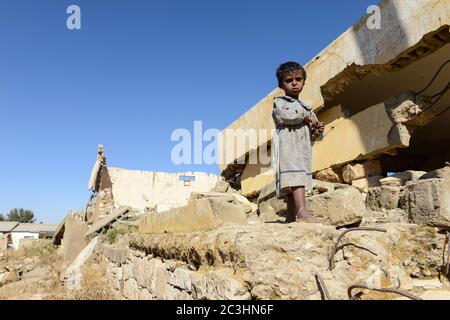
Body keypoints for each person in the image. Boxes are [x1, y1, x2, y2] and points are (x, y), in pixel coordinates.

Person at [272, 61, 324, 223]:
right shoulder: (280, 102)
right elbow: (285, 116)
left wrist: (317, 129)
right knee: (295, 177)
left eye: (298, 79)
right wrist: (306, 117)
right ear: (281, 84)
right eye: (289, 80)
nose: (294, 83)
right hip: (287, 146)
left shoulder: (307, 107)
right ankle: (301, 212)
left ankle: (291, 216)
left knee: (295, 177)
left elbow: (314, 133)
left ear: (303, 82)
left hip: (302, 148)